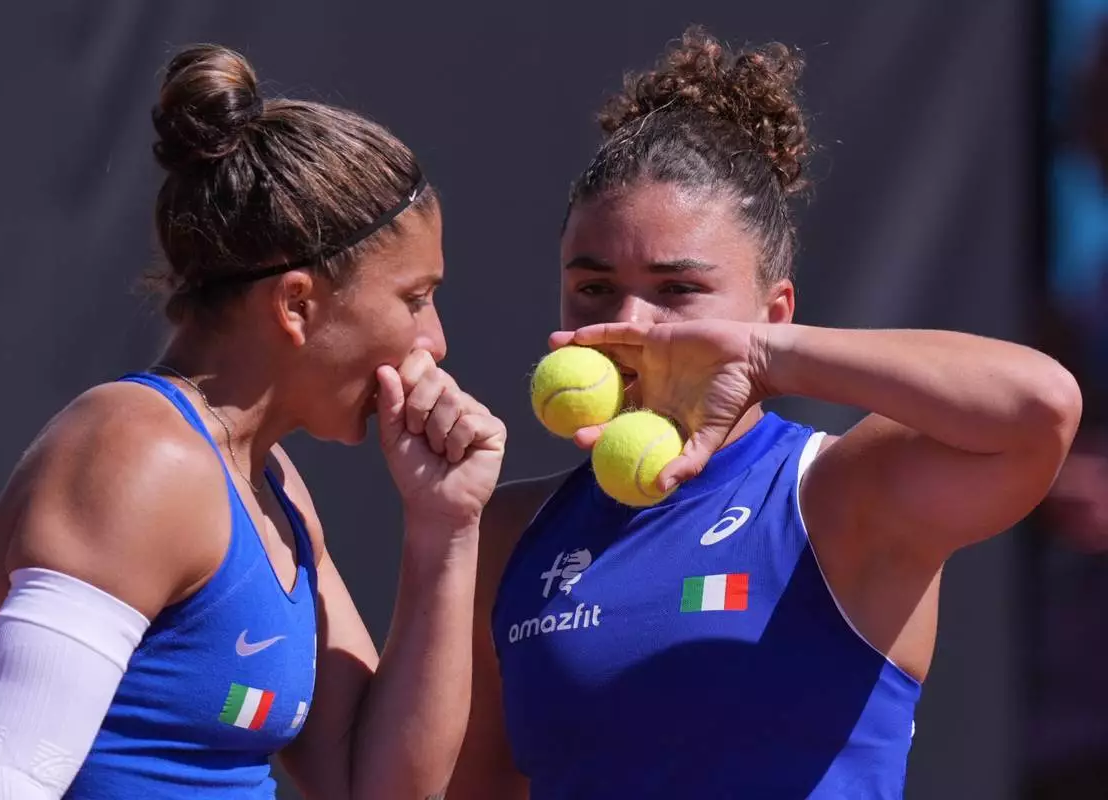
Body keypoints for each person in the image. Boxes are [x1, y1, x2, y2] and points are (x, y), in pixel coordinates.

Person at [450, 27, 1082, 799]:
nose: (634, 324)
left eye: (679, 291)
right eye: (593, 287)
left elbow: (1039, 406)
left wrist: (764, 359)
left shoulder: (840, 494)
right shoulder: (510, 535)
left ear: (773, 311)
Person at [0, 44, 505, 800]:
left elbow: (384, 791)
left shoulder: (273, 488)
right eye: (414, 298)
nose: (434, 343)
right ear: (298, 304)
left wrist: (446, 530)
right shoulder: (139, 454)